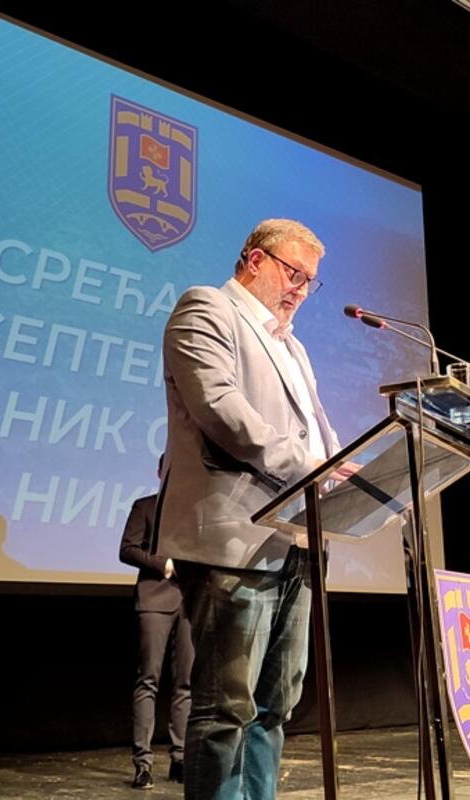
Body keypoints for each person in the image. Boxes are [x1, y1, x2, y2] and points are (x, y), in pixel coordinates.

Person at [156, 218, 347, 799]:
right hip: (234, 541)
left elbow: (316, 430)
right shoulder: (206, 309)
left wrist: (342, 465)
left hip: (296, 541)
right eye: (294, 273)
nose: (301, 290)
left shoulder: (292, 345)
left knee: (274, 707)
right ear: (255, 260)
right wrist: (312, 465)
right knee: (226, 708)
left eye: (310, 281)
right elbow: (220, 408)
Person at [119, 460, 194, 789]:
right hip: (154, 600)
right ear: (160, 473)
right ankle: (143, 763)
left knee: (185, 684)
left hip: (190, 603)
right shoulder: (145, 506)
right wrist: (165, 565)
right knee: (148, 680)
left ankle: (180, 758)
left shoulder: (196, 511)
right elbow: (127, 549)